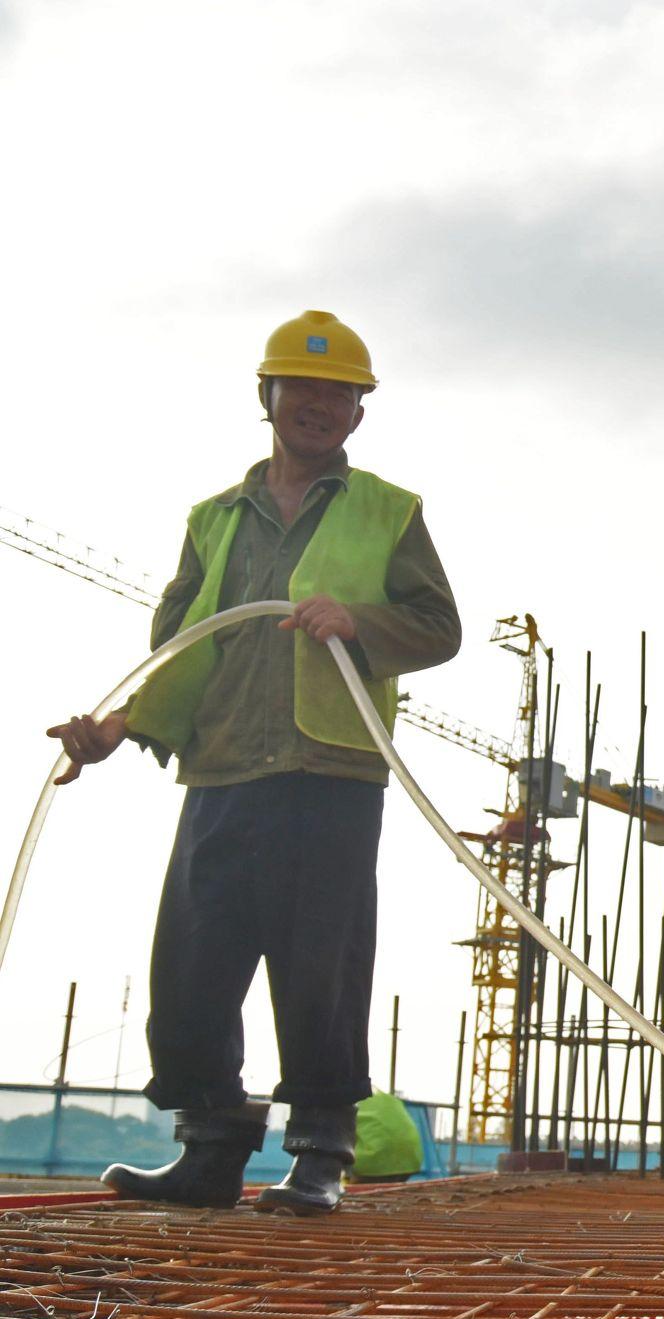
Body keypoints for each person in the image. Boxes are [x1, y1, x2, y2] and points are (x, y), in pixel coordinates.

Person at [47, 311, 461, 1216]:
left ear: (359, 414)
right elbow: (185, 647)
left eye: (337, 394)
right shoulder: (211, 520)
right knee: (194, 965)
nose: (316, 405)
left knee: (321, 964)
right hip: (225, 766)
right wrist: (120, 726)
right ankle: (208, 1150)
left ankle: (318, 1154)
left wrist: (360, 623)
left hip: (330, 770)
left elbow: (440, 629)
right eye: (299, 388)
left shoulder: (390, 512)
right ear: (266, 397)